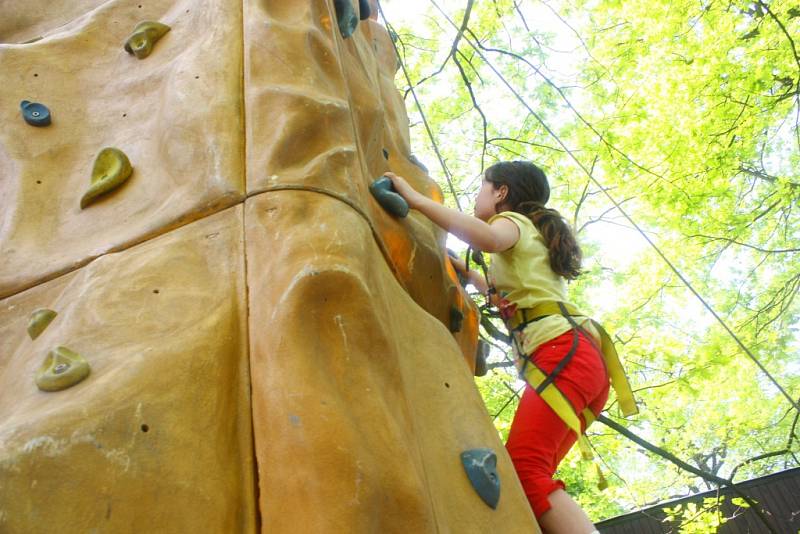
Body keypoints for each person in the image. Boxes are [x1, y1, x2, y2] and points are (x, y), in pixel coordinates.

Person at [385, 161, 609, 534]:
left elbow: (487, 239)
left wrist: (415, 200)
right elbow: (519, 290)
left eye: (483, 187)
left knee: (526, 471)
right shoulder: (533, 235)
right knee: (531, 472)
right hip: (578, 361)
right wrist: (470, 275)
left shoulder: (515, 223)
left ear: (501, 192)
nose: (477, 197)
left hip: (562, 354)